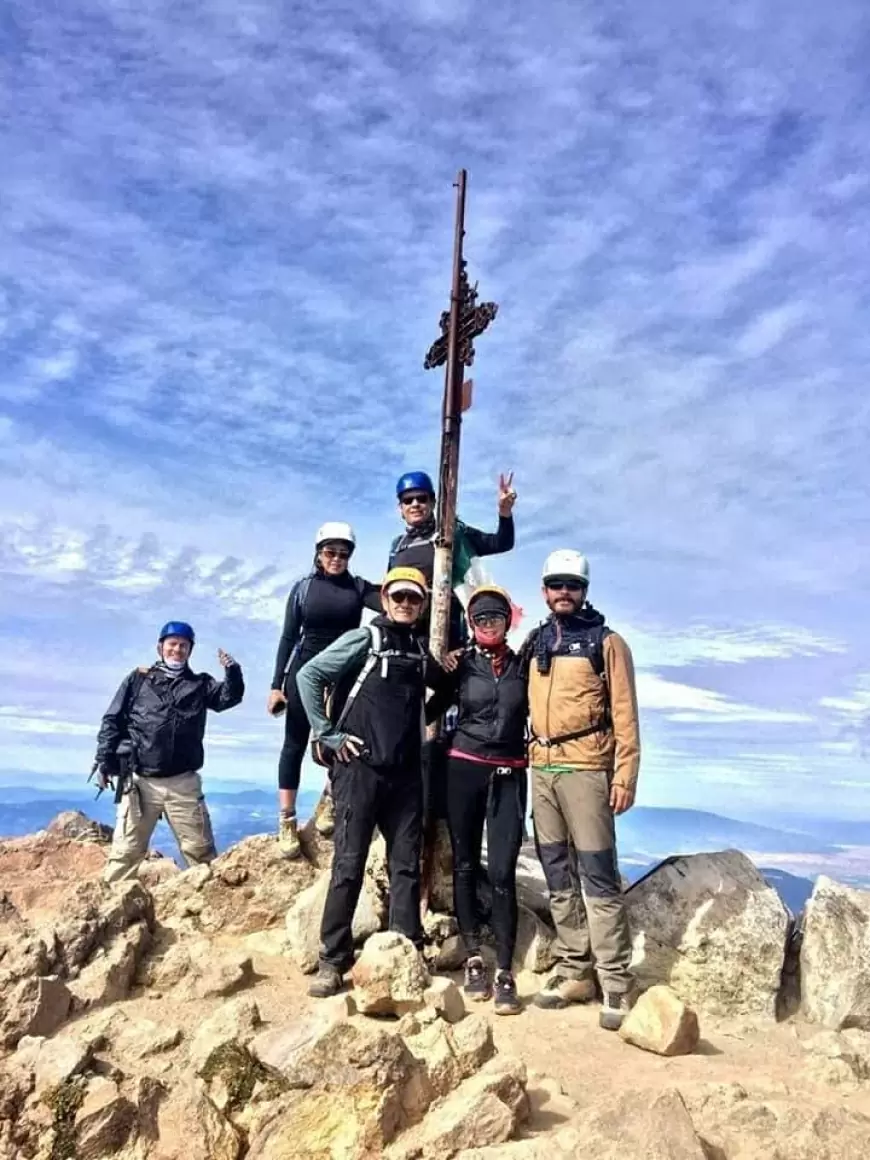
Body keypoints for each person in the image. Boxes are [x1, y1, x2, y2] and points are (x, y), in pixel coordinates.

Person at [295, 566, 451, 998]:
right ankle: (332, 961)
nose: (405, 604)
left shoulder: (418, 649)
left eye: (413, 599)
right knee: (348, 864)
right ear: (384, 601)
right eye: (398, 597)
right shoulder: (366, 640)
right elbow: (308, 676)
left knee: (405, 866)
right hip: (359, 771)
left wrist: (426, 719)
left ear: (422, 606)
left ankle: (405, 952)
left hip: (404, 776)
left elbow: (447, 688)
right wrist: (328, 734)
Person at [521, 550, 641, 1031]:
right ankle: (575, 968)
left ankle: (614, 978)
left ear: (584, 590)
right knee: (556, 872)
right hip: (542, 767)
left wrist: (625, 775)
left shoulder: (606, 642)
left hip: (588, 767)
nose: (564, 592)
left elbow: (626, 713)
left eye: (573, 584)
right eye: (556, 584)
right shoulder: (535, 641)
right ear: (545, 591)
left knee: (597, 872)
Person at [426, 586, 527, 1016]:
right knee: (466, 864)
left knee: (503, 871)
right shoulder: (461, 665)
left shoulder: (526, 665)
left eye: (495, 619)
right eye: (481, 619)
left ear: (508, 622)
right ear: (472, 624)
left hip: (510, 770)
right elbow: (430, 706)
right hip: (463, 766)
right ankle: (472, 959)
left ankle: (505, 970)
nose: (488, 625)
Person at [94, 621, 244, 885]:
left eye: (183, 645)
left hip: (183, 784)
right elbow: (112, 719)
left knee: (201, 854)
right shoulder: (138, 679)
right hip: (140, 782)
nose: (177, 649)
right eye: (172, 644)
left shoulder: (199, 684)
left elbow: (228, 698)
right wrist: (104, 762)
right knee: (125, 854)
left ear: (190, 651)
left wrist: (232, 670)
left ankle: (208, 912)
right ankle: (111, 912)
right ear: (160, 647)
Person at [267, 522, 382, 859]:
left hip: (344, 674)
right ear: (318, 553)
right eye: (330, 551)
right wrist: (276, 685)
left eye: (344, 553)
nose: (337, 558)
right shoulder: (303, 589)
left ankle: (329, 802)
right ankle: (287, 821)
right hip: (303, 673)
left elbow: (392, 602)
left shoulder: (358, 588)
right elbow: (288, 637)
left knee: (344, 740)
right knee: (295, 743)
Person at [388, 470, 517, 648]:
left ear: (433, 502)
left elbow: (501, 543)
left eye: (421, 498)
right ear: (400, 508)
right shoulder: (397, 546)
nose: (415, 504)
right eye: (408, 500)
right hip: (405, 637)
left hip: (448, 638)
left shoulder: (453, 533)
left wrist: (505, 512)